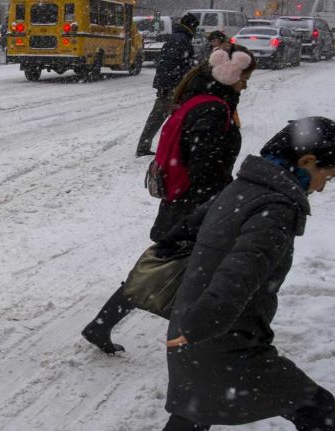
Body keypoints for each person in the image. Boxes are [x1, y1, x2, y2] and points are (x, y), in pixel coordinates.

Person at [162, 116, 335, 431]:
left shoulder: (246, 186)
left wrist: (193, 325)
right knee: (317, 407)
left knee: (193, 415)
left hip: (196, 330)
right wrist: (201, 324)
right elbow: (240, 272)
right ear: (306, 161)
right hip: (221, 338)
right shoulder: (276, 207)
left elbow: (183, 232)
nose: (322, 187)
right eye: (327, 176)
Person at [82, 46, 257, 354]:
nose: (246, 85)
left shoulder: (199, 101)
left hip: (184, 203)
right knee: (174, 274)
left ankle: (104, 325)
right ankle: (210, 344)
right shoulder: (213, 109)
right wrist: (226, 199)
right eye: (244, 77)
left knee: (168, 271)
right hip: (196, 207)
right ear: (229, 75)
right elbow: (204, 166)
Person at [135, 14, 200, 157]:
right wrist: (165, 86)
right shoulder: (180, 39)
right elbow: (168, 65)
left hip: (172, 84)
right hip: (173, 86)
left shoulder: (179, 37)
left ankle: (148, 146)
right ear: (192, 26)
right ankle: (145, 148)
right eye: (196, 27)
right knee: (161, 115)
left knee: (163, 115)